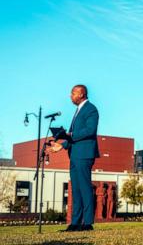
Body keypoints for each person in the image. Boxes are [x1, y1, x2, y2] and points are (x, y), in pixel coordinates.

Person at [48, 85, 99, 231]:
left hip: (84, 155)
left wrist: (70, 135)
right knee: (75, 190)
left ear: (81, 94)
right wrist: (61, 145)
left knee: (84, 188)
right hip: (75, 155)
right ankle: (75, 223)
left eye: (73, 93)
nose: (70, 96)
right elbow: (73, 134)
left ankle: (88, 223)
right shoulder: (77, 111)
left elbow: (90, 130)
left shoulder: (91, 109)